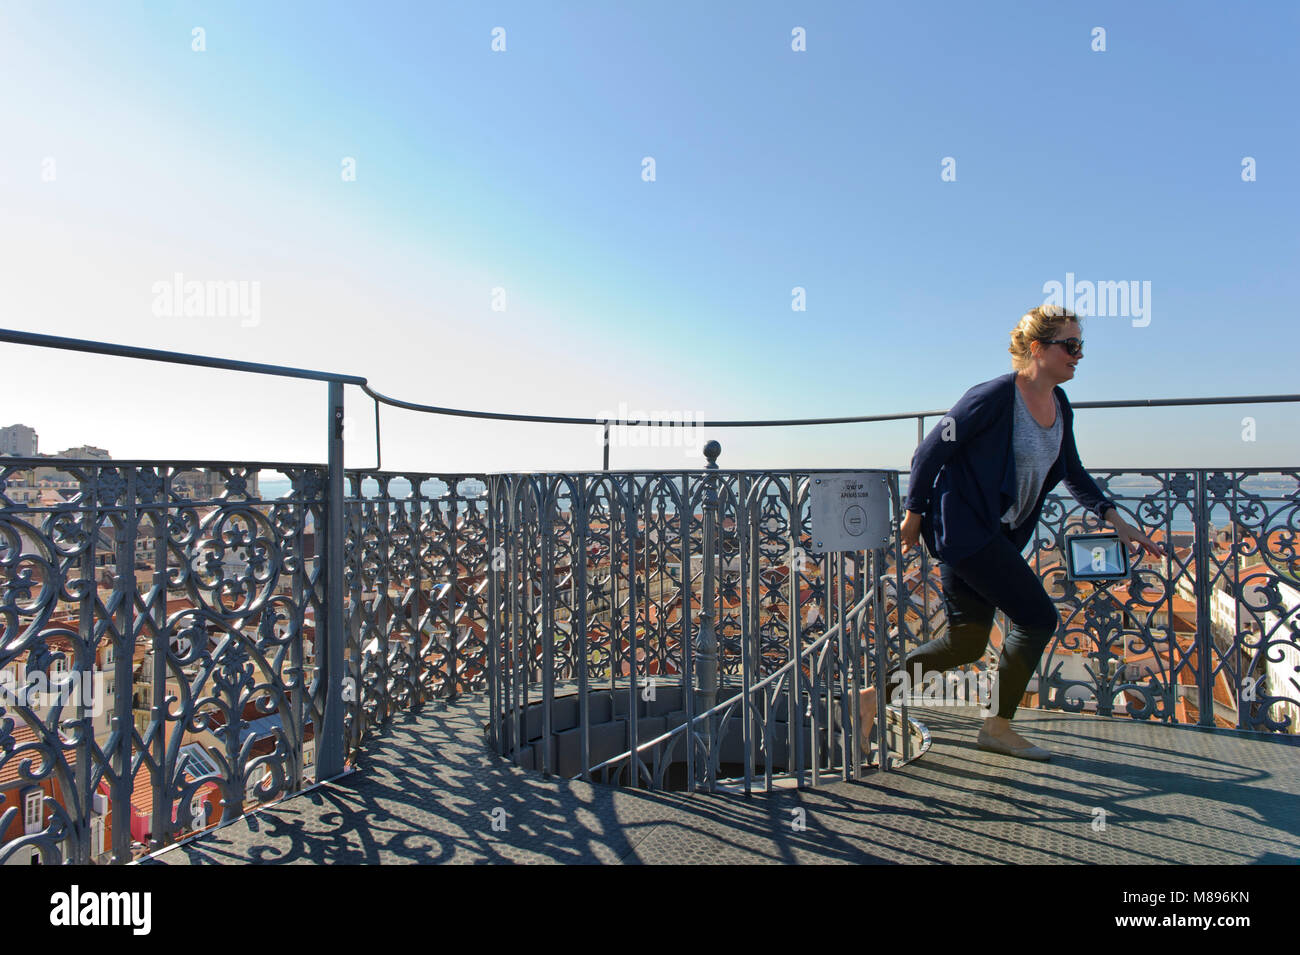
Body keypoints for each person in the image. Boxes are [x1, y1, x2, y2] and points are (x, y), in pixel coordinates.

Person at [857, 305, 1163, 761]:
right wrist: (913, 514)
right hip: (965, 532)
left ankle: (869, 698)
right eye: (1071, 345)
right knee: (1038, 618)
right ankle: (997, 725)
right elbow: (928, 453)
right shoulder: (995, 396)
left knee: (966, 640)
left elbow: (1071, 470)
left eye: (1081, 345)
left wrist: (1114, 517)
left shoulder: (1059, 405)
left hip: (993, 535)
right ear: (1038, 349)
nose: (1078, 355)